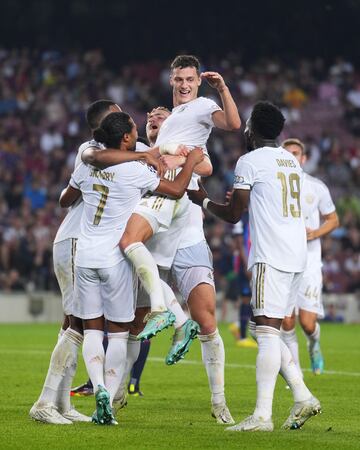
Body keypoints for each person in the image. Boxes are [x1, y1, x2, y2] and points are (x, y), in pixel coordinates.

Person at [60, 111, 204, 425]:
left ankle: (96, 386)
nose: (137, 132)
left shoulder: (87, 166)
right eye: (134, 130)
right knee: (120, 334)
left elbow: (65, 198)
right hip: (115, 260)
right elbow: (177, 190)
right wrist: (191, 162)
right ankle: (107, 403)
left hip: (84, 256)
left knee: (93, 333)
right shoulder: (134, 173)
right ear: (126, 139)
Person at [188, 101, 321, 432]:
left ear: (254, 130)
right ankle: (303, 396)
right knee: (269, 331)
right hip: (296, 255)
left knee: (264, 331)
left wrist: (202, 199)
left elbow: (234, 214)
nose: (244, 129)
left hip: (271, 255)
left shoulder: (249, 161)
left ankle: (262, 416)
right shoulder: (290, 161)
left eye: (247, 125)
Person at [29, 100, 159, 424]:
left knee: (76, 325)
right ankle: (44, 402)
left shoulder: (113, 156)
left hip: (82, 244)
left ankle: (62, 403)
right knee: (76, 326)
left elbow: (67, 197)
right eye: (117, 114)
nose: (122, 117)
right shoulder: (91, 151)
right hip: (77, 242)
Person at [118, 54, 241, 343]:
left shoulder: (202, 106)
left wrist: (222, 88)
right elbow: (202, 164)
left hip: (175, 201)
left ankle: (175, 318)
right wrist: (167, 156)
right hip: (167, 198)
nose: (184, 85)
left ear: (199, 81)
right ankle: (173, 324)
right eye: (179, 79)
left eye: (190, 79)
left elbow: (232, 125)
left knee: (128, 244)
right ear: (171, 80)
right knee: (142, 284)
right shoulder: (174, 119)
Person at [281, 138, 339, 374]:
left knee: (307, 323)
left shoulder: (316, 187)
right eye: (287, 154)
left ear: (303, 158)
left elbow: (333, 219)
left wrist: (315, 233)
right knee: (286, 321)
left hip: (310, 262)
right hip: (283, 260)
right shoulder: (275, 187)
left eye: (296, 153)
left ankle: (314, 344)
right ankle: (295, 375)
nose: (292, 157)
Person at [230, 213, 257, 348]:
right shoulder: (240, 218)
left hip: (252, 262)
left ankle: (239, 326)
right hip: (244, 265)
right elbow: (240, 244)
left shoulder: (251, 215)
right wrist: (247, 266)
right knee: (247, 299)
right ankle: (242, 336)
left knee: (252, 299)